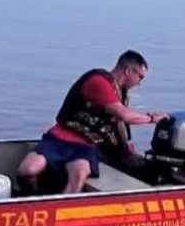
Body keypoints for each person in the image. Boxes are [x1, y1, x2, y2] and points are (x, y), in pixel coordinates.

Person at [17, 50, 166, 194]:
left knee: (79, 173)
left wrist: (126, 145)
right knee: (28, 169)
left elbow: (119, 122)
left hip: (85, 145)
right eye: (140, 77)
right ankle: (31, 198)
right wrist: (152, 118)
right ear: (128, 71)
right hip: (60, 138)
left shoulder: (120, 92)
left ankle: (64, 208)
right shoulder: (98, 82)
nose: (139, 83)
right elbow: (124, 115)